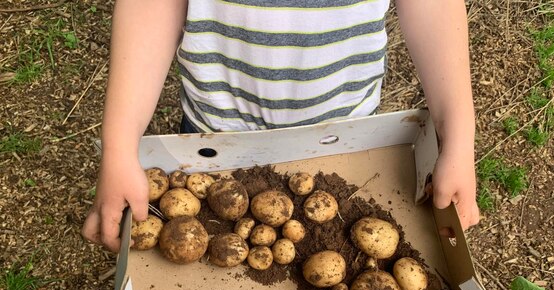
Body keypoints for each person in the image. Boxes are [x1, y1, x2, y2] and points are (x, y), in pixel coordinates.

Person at [82, 0, 480, 252]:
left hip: (344, 141)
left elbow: (435, 7)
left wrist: (459, 137)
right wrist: (118, 147)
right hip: (215, 139)